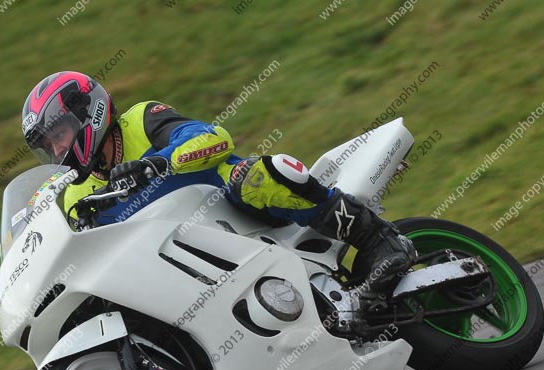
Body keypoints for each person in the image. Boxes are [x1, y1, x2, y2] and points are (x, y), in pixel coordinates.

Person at [21, 71, 415, 286]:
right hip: (183, 261)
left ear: (87, 115)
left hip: (241, 213)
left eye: (59, 135)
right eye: (48, 145)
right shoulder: (75, 195)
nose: (57, 151)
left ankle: (374, 238)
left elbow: (214, 138)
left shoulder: (141, 120)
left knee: (256, 176)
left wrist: (159, 163)